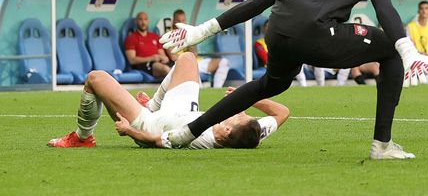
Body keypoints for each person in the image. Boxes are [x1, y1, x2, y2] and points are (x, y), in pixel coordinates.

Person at [157, 0, 428, 159]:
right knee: (390, 51)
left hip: (277, 30)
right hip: (317, 32)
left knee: (269, 85)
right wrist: (407, 50)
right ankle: (382, 145)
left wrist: (200, 31)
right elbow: (384, 8)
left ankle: (187, 133)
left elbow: (260, 2)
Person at [47, 51, 288, 149]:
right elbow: (282, 112)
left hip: (150, 123)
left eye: (238, 116)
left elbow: (154, 141)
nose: (240, 112)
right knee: (187, 58)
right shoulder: (252, 132)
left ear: (226, 129)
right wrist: (248, 99)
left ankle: (82, 137)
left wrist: (129, 130)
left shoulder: (198, 136)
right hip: (181, 108)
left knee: (95, 78)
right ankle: (152, 102)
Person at [125, 12, 172, 78]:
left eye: (145, 19)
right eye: (140, 19)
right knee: (165, 69)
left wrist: (165, 58)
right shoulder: (131, 38)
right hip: (144, 65)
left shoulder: (155, 37)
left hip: (159, 63)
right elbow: (132, 60)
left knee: (177, 67)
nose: (143, 22)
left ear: (148, 21)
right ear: (136, 21)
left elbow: (162, 54)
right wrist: (151, 58)